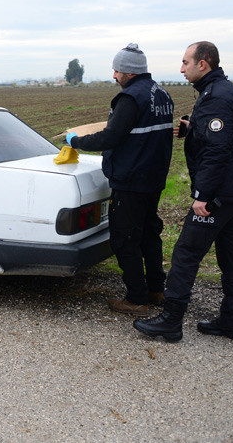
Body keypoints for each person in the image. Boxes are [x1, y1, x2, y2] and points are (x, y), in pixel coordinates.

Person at [134, 41, 233, 342]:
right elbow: (221, 136)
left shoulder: (216, 97)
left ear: (203, 64)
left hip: (220, 195)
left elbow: (217, 151)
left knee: (186, 253)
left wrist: (203, 195)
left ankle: (171, 321)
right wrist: (193, 130)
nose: (181, 69)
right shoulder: (226, 91)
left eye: (185, 62)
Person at [67, 43, 174, 317]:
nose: (114, 76)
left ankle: (136, 300)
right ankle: (156, 290)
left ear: (129, 72)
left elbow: (111, 137)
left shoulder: (130, 98)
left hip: (131, 180)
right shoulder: (161, 94)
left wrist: (76, 141)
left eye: (117, 71)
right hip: (153, 178)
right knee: (149, 233)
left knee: (125, 238)